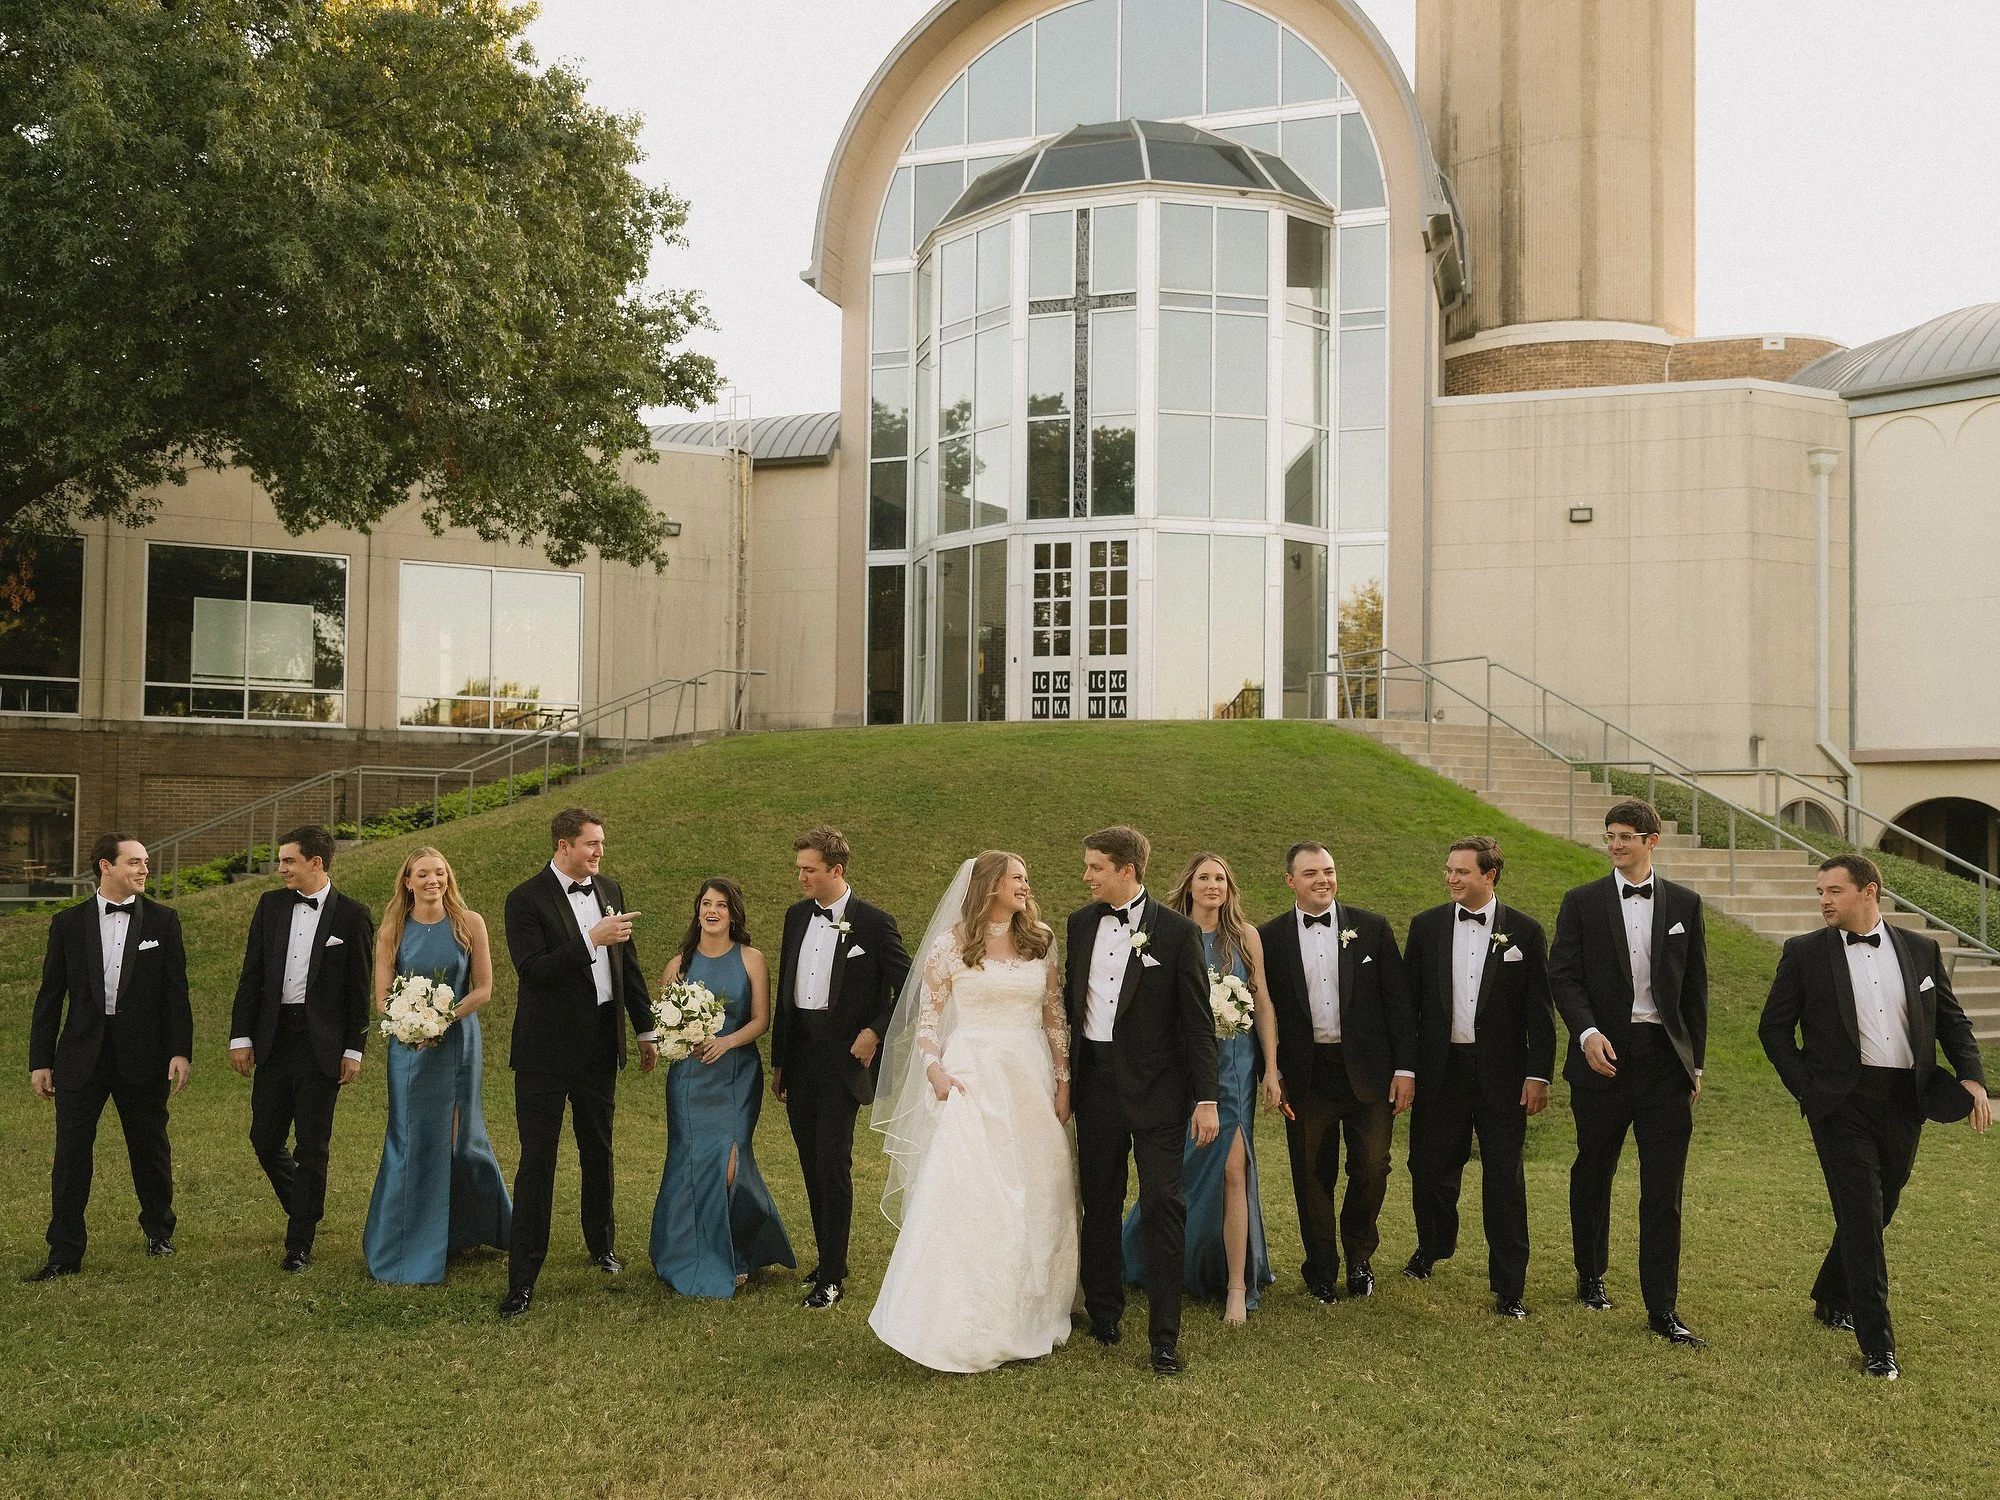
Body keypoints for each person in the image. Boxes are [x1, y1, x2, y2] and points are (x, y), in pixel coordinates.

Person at [1758, 853, 1990, 1380]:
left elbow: (1951, 1021)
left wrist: (1972, 1077)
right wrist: (1809, 1090)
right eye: (1820, 892)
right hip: (1840, 1103)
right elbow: (1773, 1029)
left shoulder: (1921, 949)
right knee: (1862, 1215)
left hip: (1905, 1099)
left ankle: (1829, 1291)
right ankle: (1877, 1344)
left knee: (1881, 1206)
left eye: (1834, 891)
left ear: (1869, 891)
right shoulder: (1804, 953)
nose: (1823, 901)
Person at [869, 852, 1079, 1371]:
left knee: (1041, 1185)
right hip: (973, 1077)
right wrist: (935, 1071)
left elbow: (1054, 1016)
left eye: (1026, 878)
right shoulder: (952, 945)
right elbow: (927, 1021)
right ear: (990, 885)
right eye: (1017, 878)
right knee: (973, 1191)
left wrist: (1063, 1081)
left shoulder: (1041, 940)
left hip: (1029, 1078)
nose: (1026, 886)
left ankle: (1035, 1308)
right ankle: (963, 1314)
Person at [1549, 799, 1709, 1347]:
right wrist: (1587, 1033)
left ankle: (1662, 1307)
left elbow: (1695, 989)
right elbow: (1562, 977)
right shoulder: (1581, 901)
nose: (1615, 845)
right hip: (1603, 1056)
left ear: (1651, 841)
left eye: (1625, 836)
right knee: (1594, 1171)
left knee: (1664, 1188)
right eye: (1610, 836)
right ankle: (1590, 1274)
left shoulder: (1685, 903)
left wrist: (1695, 1063)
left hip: (1665, 1062)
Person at [1066, 826, 1217, 1377]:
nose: (1086, 876)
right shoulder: (1080, 924)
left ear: (1127, 870)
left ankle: (1164, 1338)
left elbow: (1198, 1023)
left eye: (1095, 867)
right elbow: (1070, 1004)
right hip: (1096, 1088)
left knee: (1161, 1206)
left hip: (1159, 1093)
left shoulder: (1177, 932)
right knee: (1100, 1203)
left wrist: (1206, 1099)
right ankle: (1105, 1312)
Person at [497, 807, 658, 1320]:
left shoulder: (609, 889)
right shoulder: (524, 899)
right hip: (544, 1054)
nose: (600, 852)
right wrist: (591, 939)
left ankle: (601, 1246)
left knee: (599, 1151)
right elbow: (534, 972)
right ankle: (523, 1278)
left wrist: (645, 1029)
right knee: (537, 1162)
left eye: (602, 843)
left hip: (598, 1048)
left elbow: (628, 965)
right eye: (592, 844)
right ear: (564, 845)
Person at [26, 833, 191, 1280]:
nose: (144, 869)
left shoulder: (163, 921)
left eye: (145, 862)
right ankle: (64, 1252)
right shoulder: (67, 923)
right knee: (71, 1155)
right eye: (134, 862)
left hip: (144, 1056)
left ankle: (159, 1231)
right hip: (80, 1056)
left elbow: (176, 993)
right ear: (106, 866)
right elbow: (50, 996)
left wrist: (180, 1051)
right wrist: (40, 1060)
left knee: (149, 1146)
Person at [1121, 852, 1276, 1325]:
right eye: (1204, 878)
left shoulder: (1245, 937)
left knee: (1233, 1168)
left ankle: (1236, 1286)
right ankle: (1162, 1256)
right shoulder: (1166, 932)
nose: (1213, 885)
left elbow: (1263, 1004)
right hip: (1179, 1068)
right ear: (1189, 885)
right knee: (1180, 1171)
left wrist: (1272, 1069)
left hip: (1233, 1067)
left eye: (1221, 879)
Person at [1403, 836, 1555, 1318]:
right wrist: (1405, 1069)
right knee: (1428, 1169)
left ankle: (1510, 1287)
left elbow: (1539, 1012)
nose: (1451, 878)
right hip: (1440, 1070)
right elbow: (1408, 1007)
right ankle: (1433, 1245)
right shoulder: (1425, 927)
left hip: (1503, 1077)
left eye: (1462, 871)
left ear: (1489, 875)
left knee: (1504, 1181)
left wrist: (1538, 1074)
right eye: (1448, 870)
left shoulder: (1525, 932)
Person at [1256, 842, 1414, 1304]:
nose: (1322, 880)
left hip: (1369, 1073)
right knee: (1310, 1173)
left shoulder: (1372, 928)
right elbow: (1261, 1010)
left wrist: (1405, 1068)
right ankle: (1321, 1268)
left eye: (1328, 870)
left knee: (1372, 1167)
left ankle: (1360, 1258)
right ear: (1290, 881)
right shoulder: (1269, 938)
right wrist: (1272, 1071)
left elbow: (1399, 1004)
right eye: (1310, 873)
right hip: (1306, 1075)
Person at [770, 825, 910, 1311]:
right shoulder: (795, 916)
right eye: (799, 869)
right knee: (811, 1163)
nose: (801, 878)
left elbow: (910, 988)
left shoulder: (874, 923)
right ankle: (830, 1257)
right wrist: (780, 1062)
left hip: (843, 1061)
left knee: (833, 1164)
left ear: (837, 870)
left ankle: (831, 1277)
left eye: (809, 870)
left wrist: (875, 1030)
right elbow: (787, 992)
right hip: (800, 1058)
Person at [361, 846, 511, 1284]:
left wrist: (441, 1020)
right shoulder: (393, 929)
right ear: (408, 882)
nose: (433, 881)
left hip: (458, 1045)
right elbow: (382, 998)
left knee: (459, 1140)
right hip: (409, 1051)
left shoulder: (470, 923)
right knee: (411, 1140)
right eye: (423, 874)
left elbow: (483, 990)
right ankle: (403, 1244)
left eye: (440, 873)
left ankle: (466, 1231)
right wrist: (411, 1025)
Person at [229, 824, 374, 1273]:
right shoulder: (270, 905)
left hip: (321, 1045)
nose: (281, 869)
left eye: (288, 861)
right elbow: (252, 974)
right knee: (264, 1138)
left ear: (316, 862)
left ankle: (299, 1242)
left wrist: (354, 1049)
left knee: (313, 1145)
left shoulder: (353, 915)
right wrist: (241, 1037)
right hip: (274, 1038)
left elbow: (359, 990)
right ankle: (305, 1205)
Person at [648, 877, 795, 1297]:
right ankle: (684, 1252)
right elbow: (662, 1025)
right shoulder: (678, 965)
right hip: (689, 1083)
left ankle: (739, 1249)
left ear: (733, 914)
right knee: (689, 1162)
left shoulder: (752, 959)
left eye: (722, 905)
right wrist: (677, 1040)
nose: (712, 911)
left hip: (736, 1078)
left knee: (731, 1163)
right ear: (698, 911)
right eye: (706, 904)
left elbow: (761, 1020)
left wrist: (727, 1041)